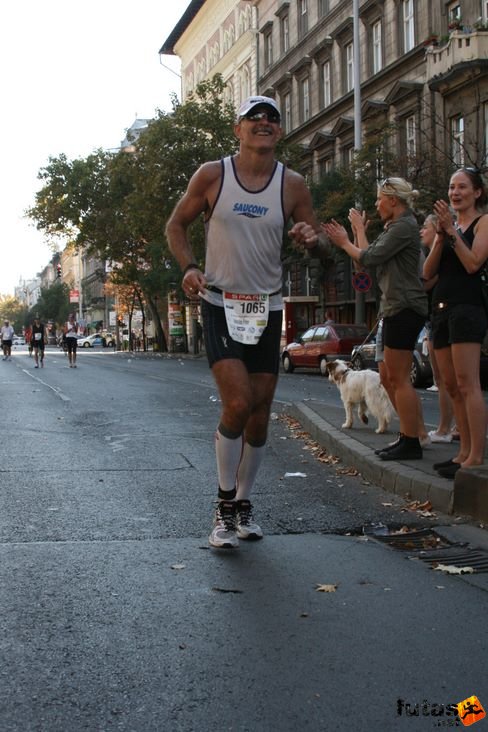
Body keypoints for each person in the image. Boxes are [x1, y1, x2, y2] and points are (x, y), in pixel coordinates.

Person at [166, 95, 324, 549]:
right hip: (219, 302)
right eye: (253, 117)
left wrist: (310, 238)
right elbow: (175, 225)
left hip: (267, 306)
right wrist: (189, 267)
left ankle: (244, 503)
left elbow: (318, 245)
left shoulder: (291, 185)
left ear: (279, 131)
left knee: (259, 411)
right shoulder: (213, 175)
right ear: (238, 129)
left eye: (272, 117)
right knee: (237, 403)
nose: (263, 122)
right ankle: (221, 506)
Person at [322, 177, 428, 460]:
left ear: (393, 200)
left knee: (399, 379)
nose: (377, 204)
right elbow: (365, 260)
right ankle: (408, 436)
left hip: (404, 307)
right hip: (397, 307)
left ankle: (412, 440)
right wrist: (357, 232)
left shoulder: (404, 227)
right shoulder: (396, 227)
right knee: (391, 378)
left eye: (380, 199)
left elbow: (368, 257)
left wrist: (346, 239)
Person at [424, 167, 488, 479]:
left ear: (477, 192)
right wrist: (440, 235)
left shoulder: (483, 222)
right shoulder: (448, 226)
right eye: (451, 187)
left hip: (466, 308)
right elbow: (427, 273)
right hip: (441, 309)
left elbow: (474, 263)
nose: (455, 192)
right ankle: (462, 451)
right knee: (450, 385)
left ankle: (476, 454)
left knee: (467, 382)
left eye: (462, 187)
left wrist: (452, 233)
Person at [420, 214, 455, 442]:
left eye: (425, 226)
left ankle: (453, 427)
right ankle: (445, 427)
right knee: (440, 378)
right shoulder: (430, 254)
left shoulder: (444, 253)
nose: (421, 230)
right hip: (434, 317)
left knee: (451, 378)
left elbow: (426, 281)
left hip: (446, 315)